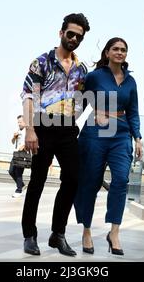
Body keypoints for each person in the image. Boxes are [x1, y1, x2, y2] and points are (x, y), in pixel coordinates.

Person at [20, 13, 90, 257]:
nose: (73, 39)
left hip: (68, 128)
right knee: (37, 182)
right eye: (70, 34)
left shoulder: (81, 69)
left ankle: (57, 234)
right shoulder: (42, 62)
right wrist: (30, 129)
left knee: (73, 178)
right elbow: (29, 96)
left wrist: (72, 117)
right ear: (61, 33)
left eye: (78, 37)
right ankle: (29, 235)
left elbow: (81, 99)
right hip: (42, 127)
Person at [74, 37, 143, 256]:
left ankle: (114, 232)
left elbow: (133, 111)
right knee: (90, 182)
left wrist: (138, 138)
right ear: (107, 53)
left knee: (121, 180)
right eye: (115, 49)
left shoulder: (130, 82)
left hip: (121, 132)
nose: (120, 52)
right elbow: (80, 102)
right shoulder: (94, 77)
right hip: (96, 130)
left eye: (123, 49)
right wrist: (71, 125)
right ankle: (86, 230)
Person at [9, 115, 27, 198]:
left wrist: (24, 146)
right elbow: (12, 142)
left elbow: (31, 141)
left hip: (23, 153)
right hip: (16, 153)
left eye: (20, 122)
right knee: (11, 171)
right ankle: (22, 185)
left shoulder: (28, 131)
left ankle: (19, 190)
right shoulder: (17, 130)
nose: (19, 124)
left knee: (18, 172)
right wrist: (14, 137)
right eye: (18, 122)